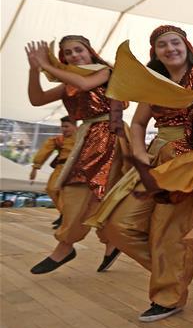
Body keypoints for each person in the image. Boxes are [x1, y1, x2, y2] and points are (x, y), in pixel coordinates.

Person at [88, 25, 193, 322]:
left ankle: (169, 295)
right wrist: (138, 154)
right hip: (156, 156)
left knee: (172, 232)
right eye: (162, 45)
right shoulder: (154, 81)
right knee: (115, 224)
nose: (170, 48)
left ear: (186, 45)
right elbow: (137, 124)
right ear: (155, 52)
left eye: (175, 42)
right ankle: (171, 271)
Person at [25, 37, 121, 274]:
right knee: (97, 196)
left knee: (80, 190)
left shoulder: (105, 71)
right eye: (68, 53)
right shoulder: (69, 83)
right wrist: (34, 70)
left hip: (106, 133)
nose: (74, 55)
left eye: (79, 50)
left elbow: (85, 84)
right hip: (88, 135)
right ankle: (111, 242)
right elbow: (37, 100)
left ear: (90, 51)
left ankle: (65, 247)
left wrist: (47, 66)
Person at [30, 116, 77, 228]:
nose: (64, 129)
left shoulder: (84, 138)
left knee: (68, 195)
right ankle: (64, 214)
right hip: (61, 168)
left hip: (76, 170)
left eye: (67, 126)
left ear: (75, 127)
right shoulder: (59, 140)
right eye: (62, 127)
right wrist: (35, 168)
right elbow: (45, 150)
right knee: (51, 189)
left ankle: (66, 218)